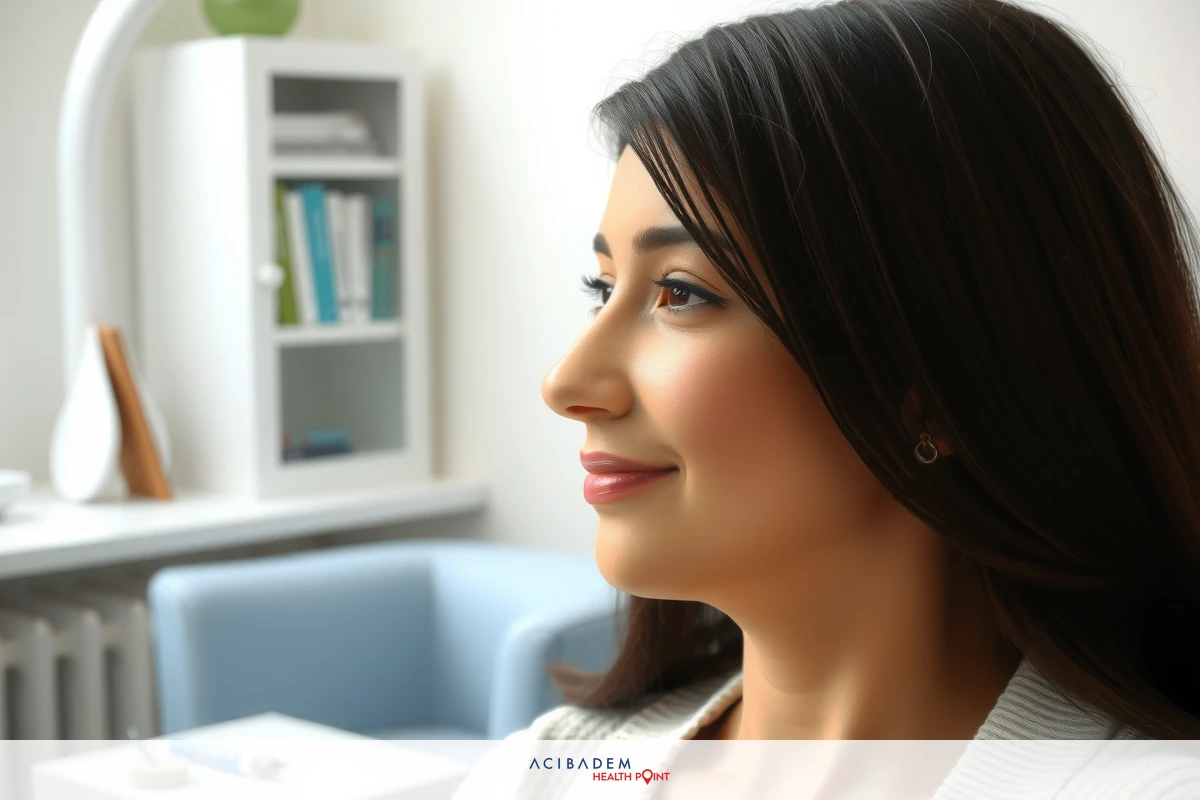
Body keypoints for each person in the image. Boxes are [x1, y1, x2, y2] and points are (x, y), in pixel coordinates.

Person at [455, 0, 1200, 796]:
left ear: (935, 383)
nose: (566, 385)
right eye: (600, 288)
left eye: (680, 292)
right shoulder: (552, 773)